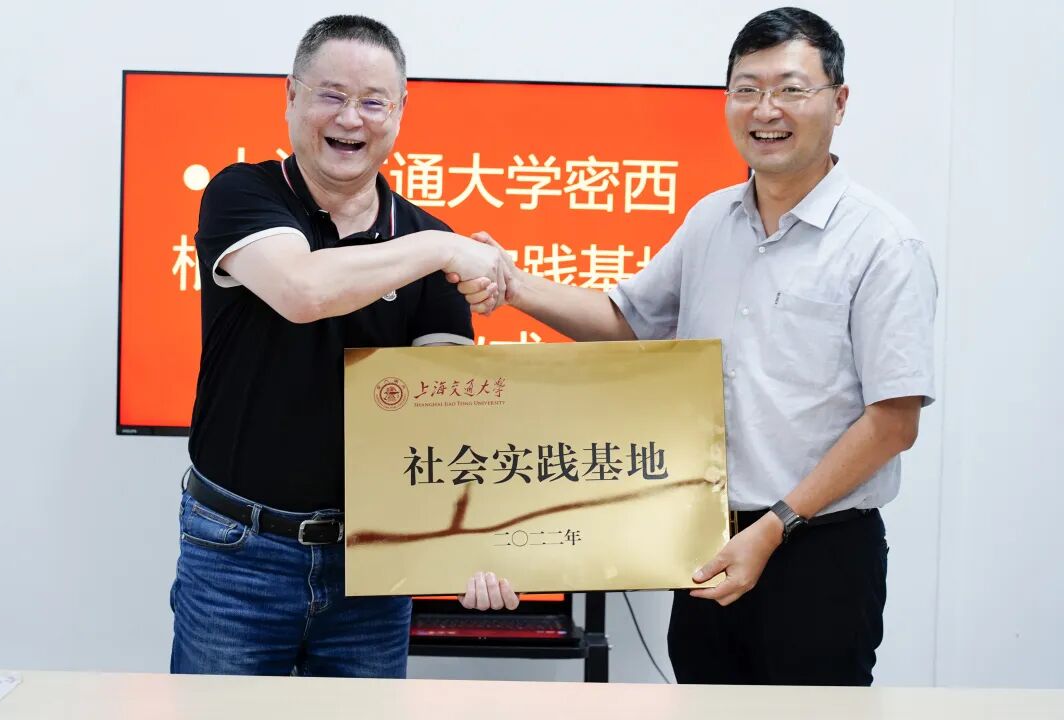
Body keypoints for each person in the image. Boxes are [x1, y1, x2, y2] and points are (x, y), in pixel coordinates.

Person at [455, 7, 937, 685]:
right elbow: (627, 322)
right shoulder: (711, 220)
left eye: (791, 89)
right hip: (707, 544)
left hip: (818, 551)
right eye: (747, 89)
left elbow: (893, 422)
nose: (766, 110)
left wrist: (772, 527)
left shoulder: (883, 244)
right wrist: (514, 284)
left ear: (839, 101)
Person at [171, 14, 516, 678]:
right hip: (237, 555)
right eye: (331, 95)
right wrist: (442, 249)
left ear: (400, 111)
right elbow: (302, 289)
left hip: (374, 567)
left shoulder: (428, 240)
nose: (350, 119)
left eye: (373, 102)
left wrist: (481, 539)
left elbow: (451, 417)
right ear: (291, 96)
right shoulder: (243, 193)